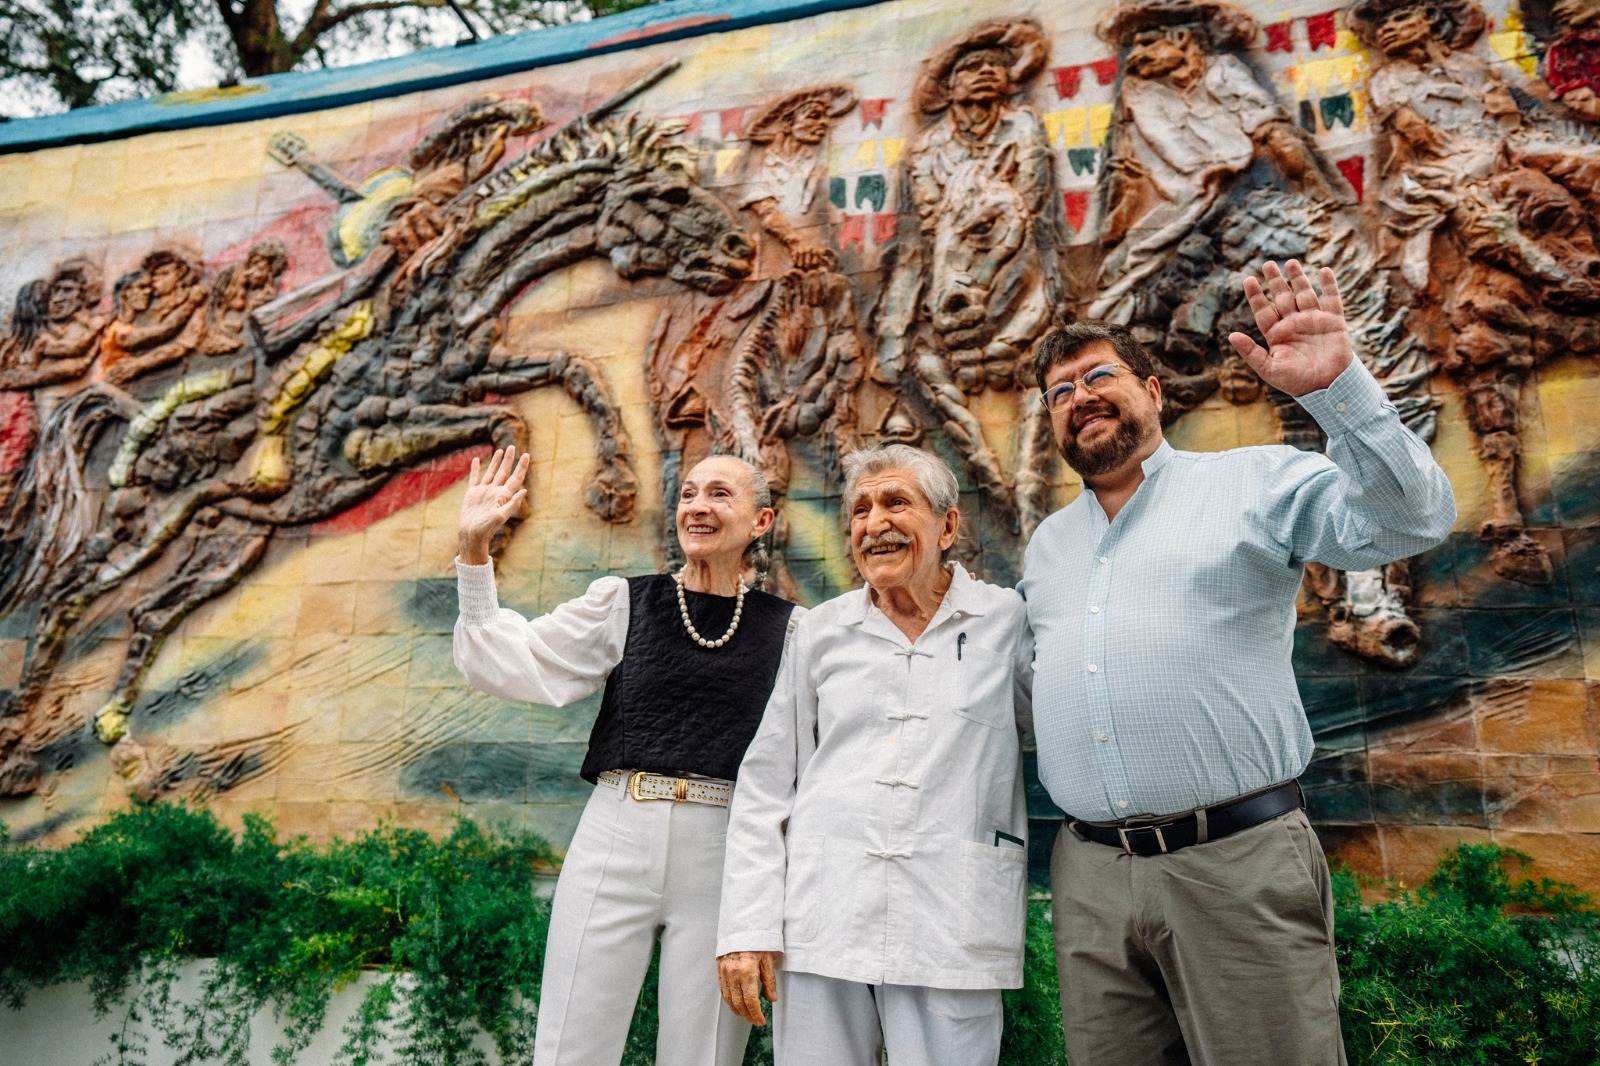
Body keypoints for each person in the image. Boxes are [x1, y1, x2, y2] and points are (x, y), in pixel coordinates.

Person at [1020, 260, 1455, 1065]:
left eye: (1098, 375)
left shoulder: (1255, 482)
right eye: (1059, 392)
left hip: (1234, 865)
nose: (1079, 396)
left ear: (1154, 392)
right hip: (1090, 880)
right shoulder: (1047, 549)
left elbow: (1410, 522)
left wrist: (1339, 392)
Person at [453, 447, 800, 1066]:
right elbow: (511, 659)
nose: (697, 505)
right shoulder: (626, 602)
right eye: (689, 493)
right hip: (616, 833)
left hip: (729, 852)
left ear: (761, 522)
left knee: (705, 1054)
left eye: (720, 494)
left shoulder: (794, 631)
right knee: (570, 1046)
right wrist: (475, 552)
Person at [717, 443, 1033, 1066]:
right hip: (823, 915)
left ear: (947, 526)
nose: (874, 523)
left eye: (895, 503)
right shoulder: (819, 630)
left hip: (953, 916)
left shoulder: (1005, 619)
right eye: (860, 510)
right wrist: (746, 930)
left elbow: (1060, 724)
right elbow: (765, 786)